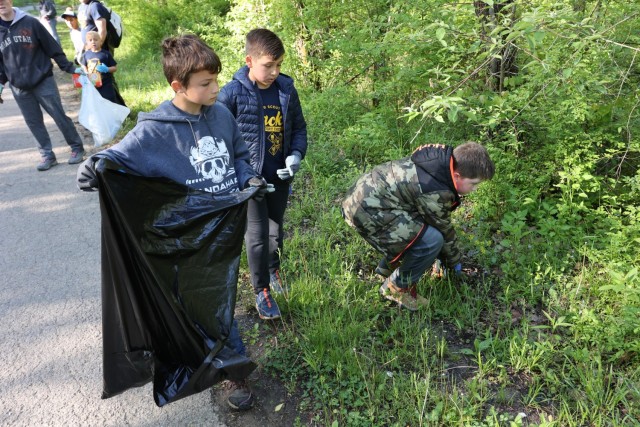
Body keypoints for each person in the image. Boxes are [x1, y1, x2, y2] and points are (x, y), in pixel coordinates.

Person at [76, 33, 270, 411]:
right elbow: (116, 158)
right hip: (186, 243)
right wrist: (92, 167)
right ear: (178, 86)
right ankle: (233, 371)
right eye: (206, 83)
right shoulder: (155, 131)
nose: (216, 88)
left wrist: (248, 178)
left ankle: (222, 362)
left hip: (224, 234)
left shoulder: (223, 115)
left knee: (217, 303)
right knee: (206, 308)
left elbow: (241, 155)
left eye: (215, 79)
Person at [218, 28, 308, 321]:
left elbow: (299, 128)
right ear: (249, 61)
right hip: (251, 178)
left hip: (280, 174)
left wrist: (295, 155)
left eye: (279, 64)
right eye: (268, 65)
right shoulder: (232, 93)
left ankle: (273, 269)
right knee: (256, 234)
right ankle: (261, 290)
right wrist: (242, 176)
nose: (274, 71)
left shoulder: (286, 89)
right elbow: (220, 138)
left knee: (275, 229)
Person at [341, 142, 495, 311]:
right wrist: (454, 262)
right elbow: (444, 231)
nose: (474, 189)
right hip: (366, 212)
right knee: (432, 240)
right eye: (473, 184)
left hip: (359, 201)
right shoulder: (434, 189)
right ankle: (397, 287)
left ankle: (386, 268)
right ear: (457, 175)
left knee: (418, 229)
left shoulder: (436, 165)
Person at [0, 0, 86, 171]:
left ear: (10, 0)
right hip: (19, 87)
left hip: (43, 80)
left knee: (59, 115)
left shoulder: (30, 22)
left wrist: (69, 67)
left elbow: (51, 46)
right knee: (33, 122)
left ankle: (77, 148)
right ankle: (47, 155)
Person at [77, 0, 125, 106]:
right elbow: (84, 29)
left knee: (107, 79)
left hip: (100, 52)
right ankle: (100, 108)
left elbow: (102, 30)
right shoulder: (82, 7)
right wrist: (82, 50)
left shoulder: (95, 6)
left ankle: (119, 108)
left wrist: (95, 50)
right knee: (94, 81)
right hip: (90, 51)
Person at [80, 30, 117, 103]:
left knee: (109, 101)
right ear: (87, 43)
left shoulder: (106, 54)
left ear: (100, 42)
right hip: (92, 84)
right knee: (94, 102)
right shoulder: (86, 54)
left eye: (96, 40)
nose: (93, 42)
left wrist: (107, 69)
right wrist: (85, 72)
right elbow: (83, 65)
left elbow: (115, 67)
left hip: (105, 84)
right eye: (90, 40)